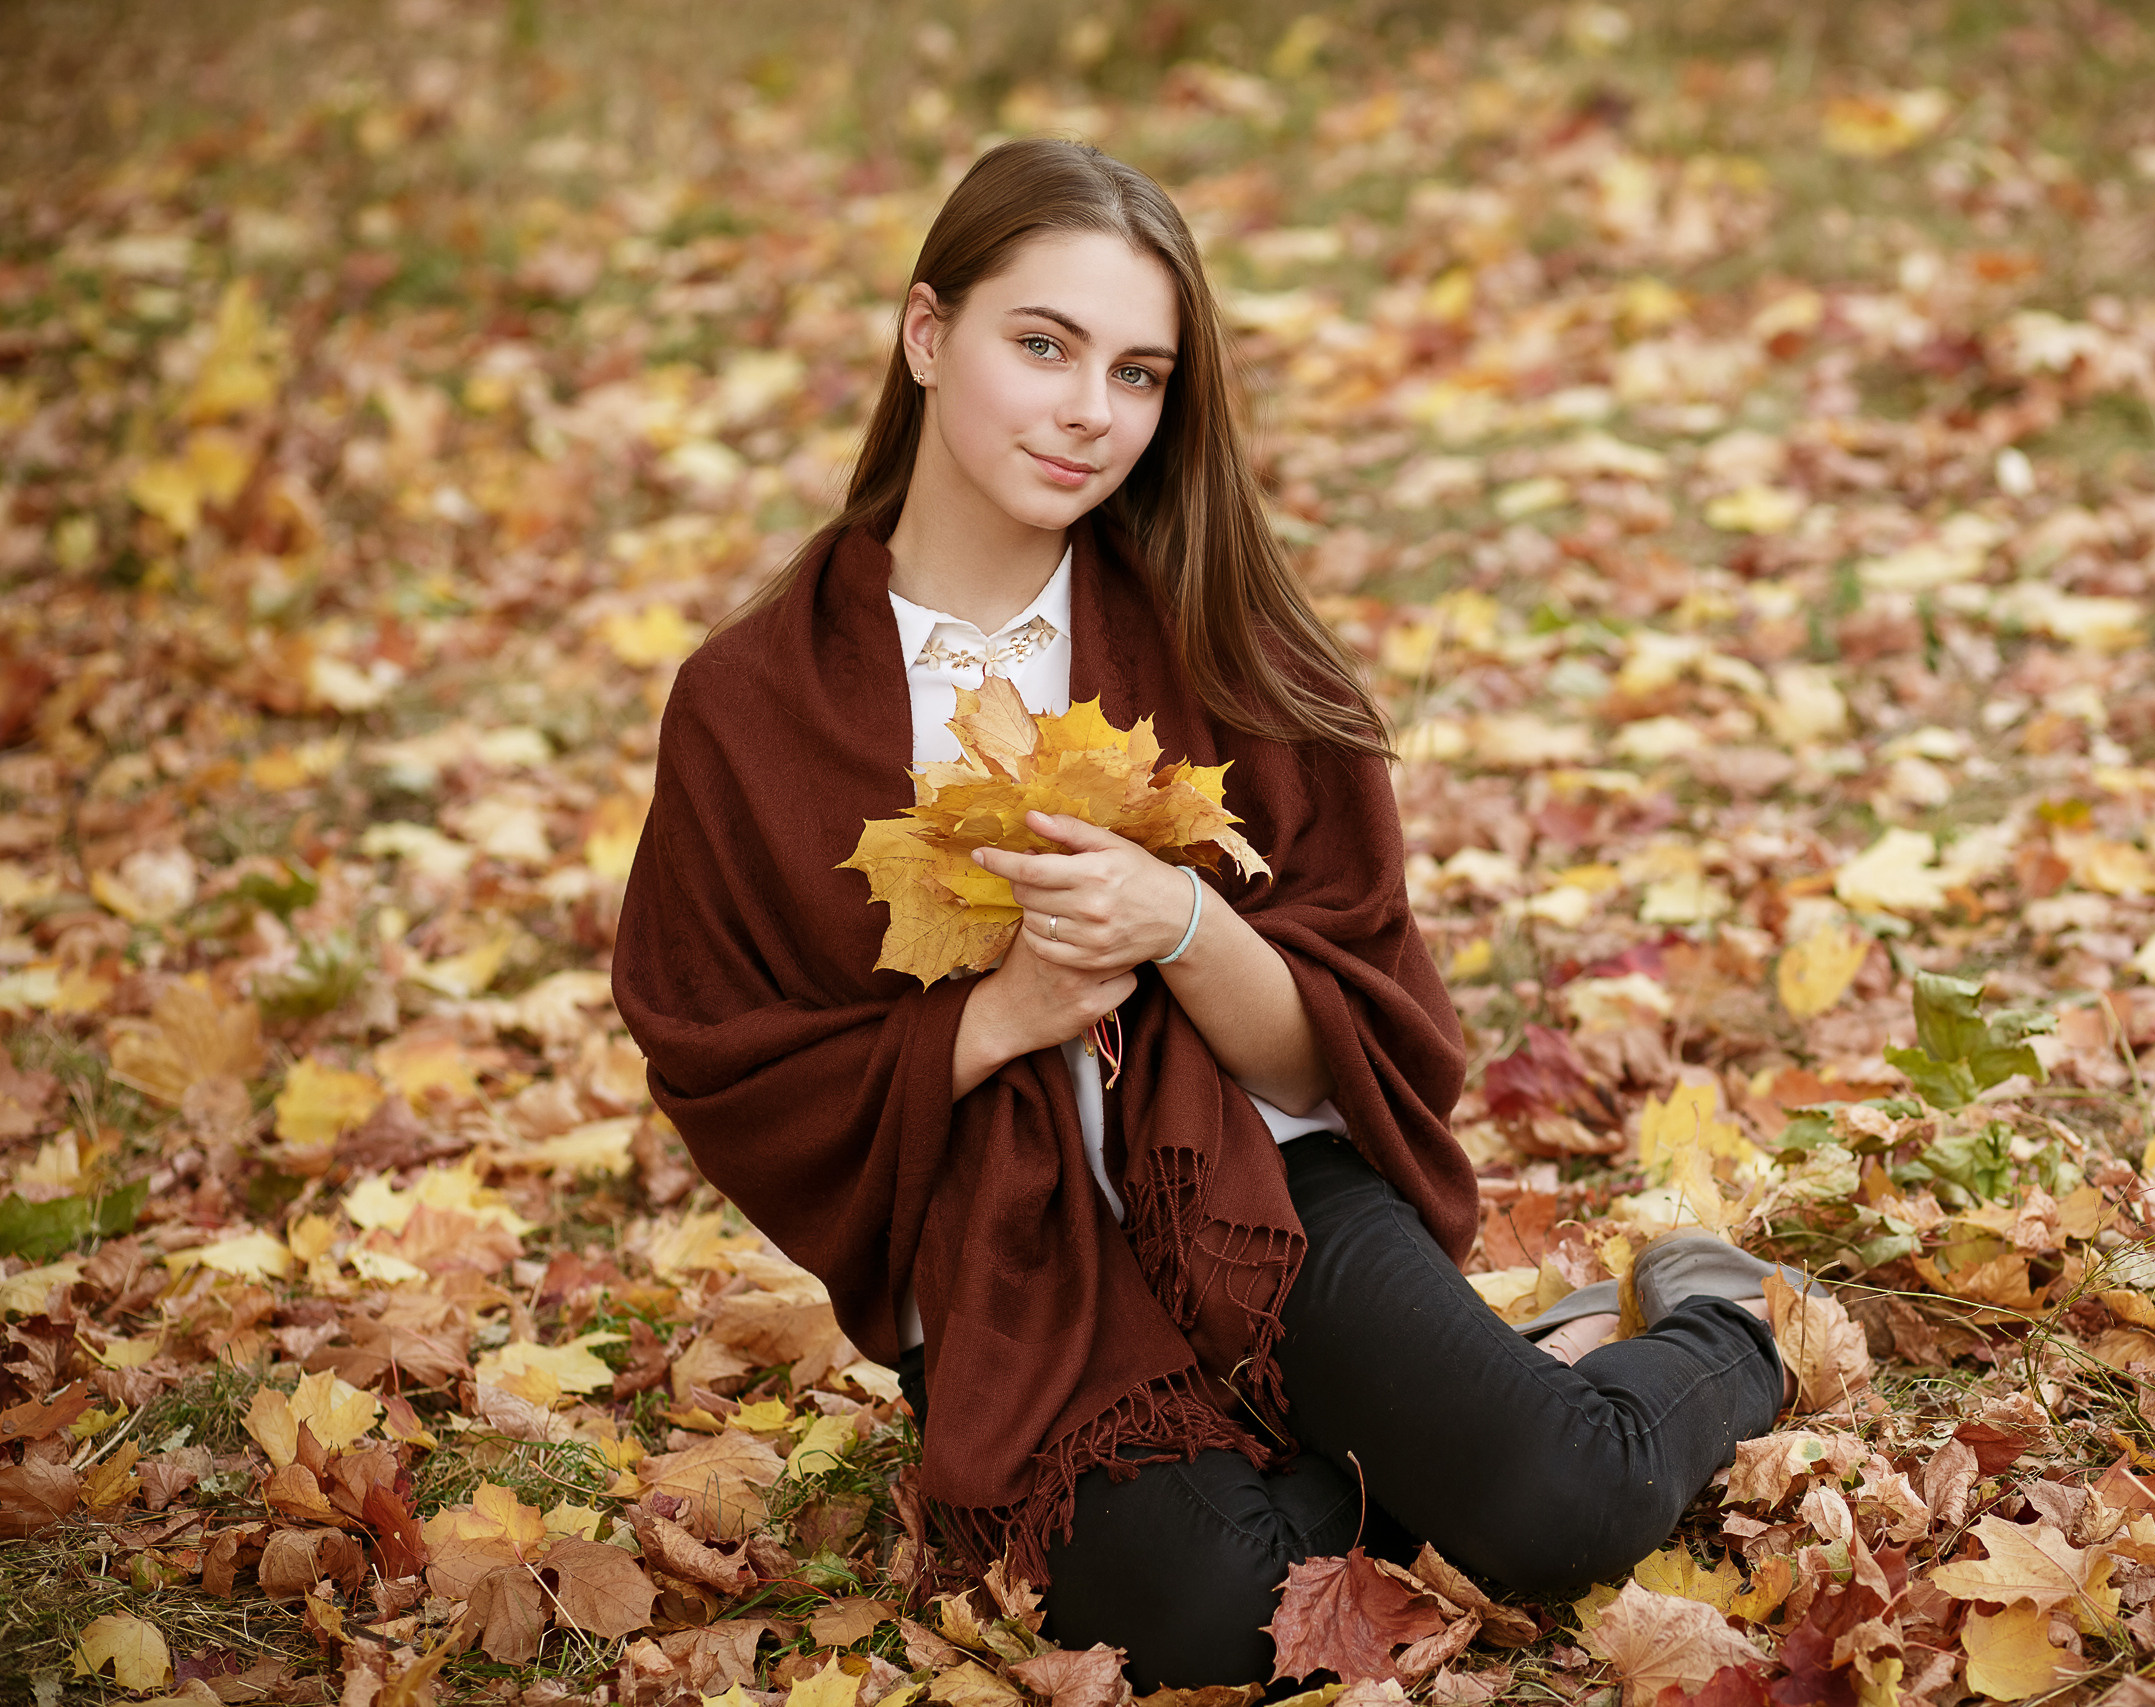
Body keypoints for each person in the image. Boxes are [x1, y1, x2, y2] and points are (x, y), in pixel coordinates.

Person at [611, 137, 1801, 1689]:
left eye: (1138, 371)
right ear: (925, 335)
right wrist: (996, 1024)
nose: (1088, 409)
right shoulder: (751, 703)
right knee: (1209, 1624)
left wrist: (1179, 918)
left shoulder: (1207, 628)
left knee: (1564, 1504)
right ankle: (1507, 1379)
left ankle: (1713, 1329)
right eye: (1040, 345)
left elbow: (1340, 1051)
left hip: (1260, 1192)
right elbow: (722, 1059)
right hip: (1013, 1272)